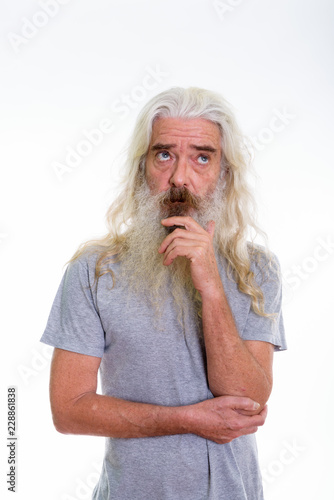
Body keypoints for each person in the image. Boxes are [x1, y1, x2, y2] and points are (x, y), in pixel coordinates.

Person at [41, 87, 286, 500]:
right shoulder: (93, 271)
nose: (179, 178)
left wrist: (210, 284)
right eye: (164, 154)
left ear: (225, 173)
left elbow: (247, 398)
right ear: (142, 167)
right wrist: (189, 419)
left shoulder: (256, 269)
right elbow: (68, 410)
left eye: (202, 157)